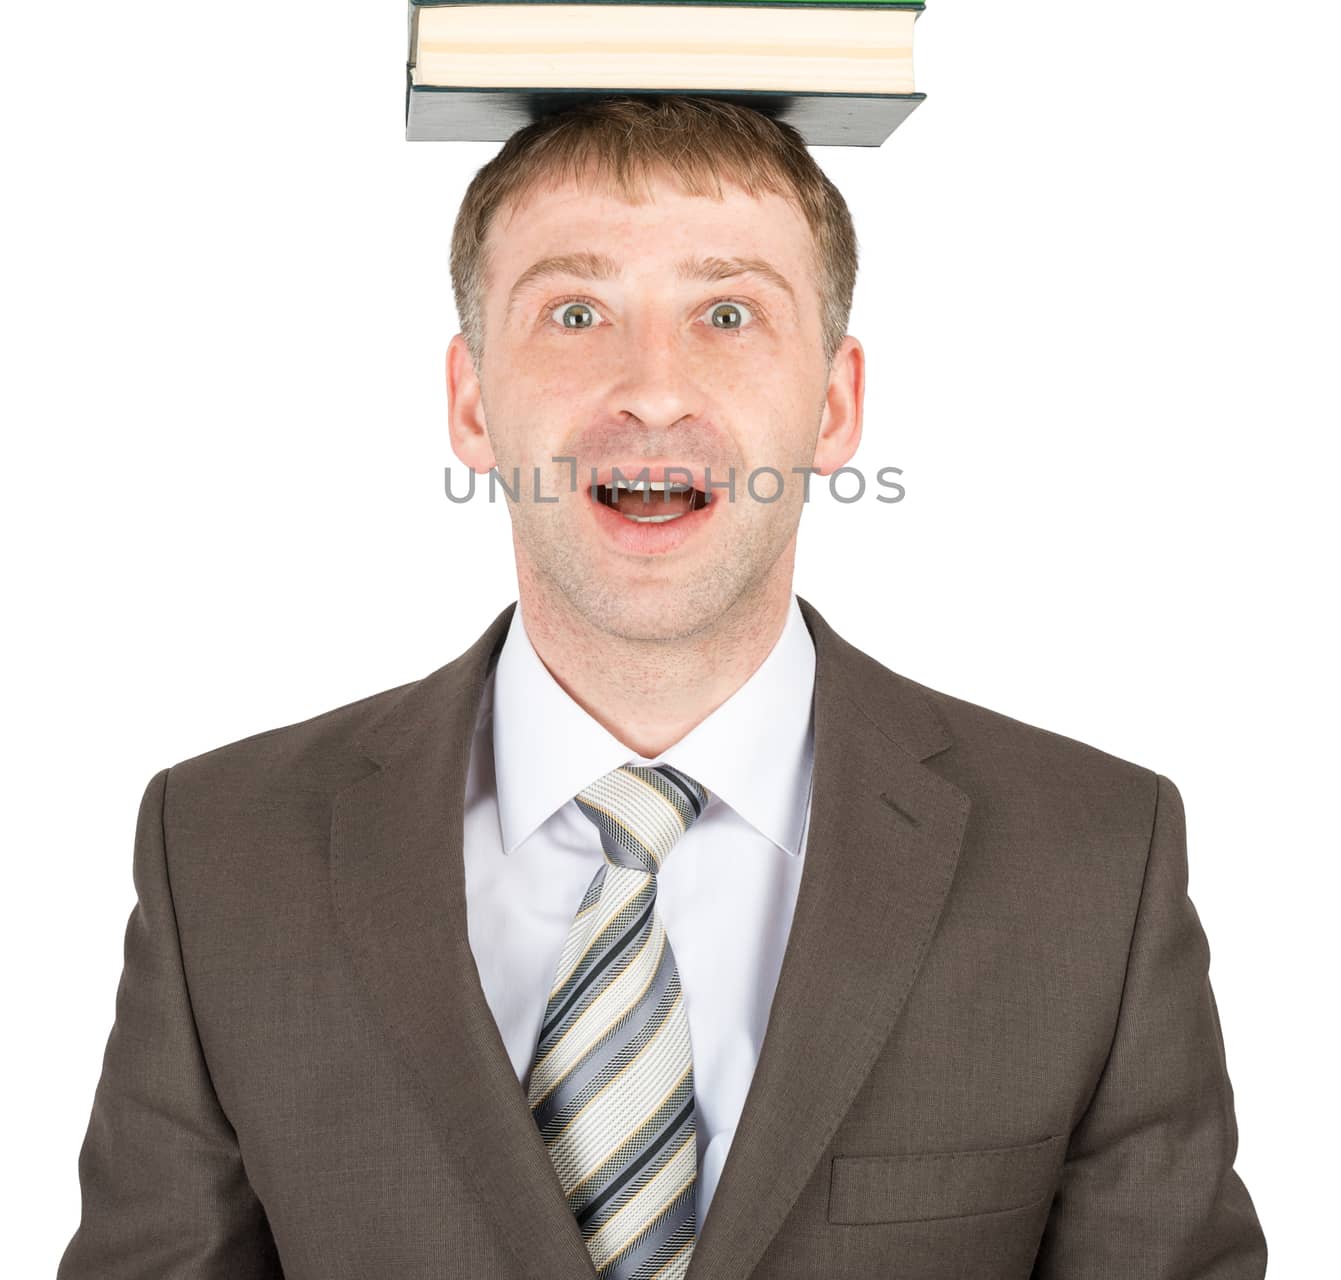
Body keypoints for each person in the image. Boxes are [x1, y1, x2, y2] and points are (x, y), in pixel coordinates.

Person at [58, 97, 1267, 1279]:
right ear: (473, 403)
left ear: (836, 404)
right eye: (576, 312)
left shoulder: (1096, 863)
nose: (651, 389)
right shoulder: (219, 853)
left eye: (728, 313)